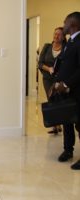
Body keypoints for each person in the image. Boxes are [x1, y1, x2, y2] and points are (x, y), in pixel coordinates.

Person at [54, 12, 80, 170]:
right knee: (66, 120)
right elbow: (63, 64)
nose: (63, 25)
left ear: (73, 25)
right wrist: (57, 84)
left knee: (79, 123)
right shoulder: (70, 41)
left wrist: (67, 83)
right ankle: (67, 150)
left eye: (65, 23)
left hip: (77, 90)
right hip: (65, 90)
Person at [38, 27, 66, 134]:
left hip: (60, 79)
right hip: (47, 79)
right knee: (51, 99)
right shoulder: (47, 47)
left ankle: (59, 123)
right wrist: (48, 68)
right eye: (55, 34)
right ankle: (55, 125)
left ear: (63, 37)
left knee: (59, 100)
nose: (56, 36)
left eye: (59, 34)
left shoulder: (65, 48)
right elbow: (40, 63)